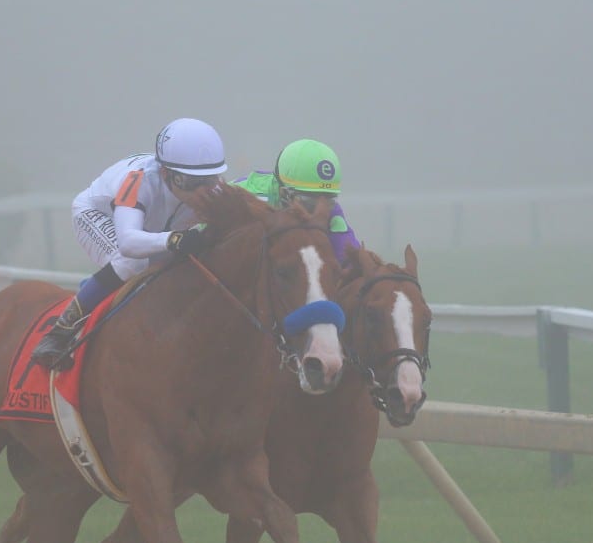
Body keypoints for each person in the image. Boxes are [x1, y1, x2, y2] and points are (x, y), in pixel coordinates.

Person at [31, 117, 227, 370]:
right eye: (191, 182)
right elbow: (129, 242)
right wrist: (174, 239)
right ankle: (60, 333)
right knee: (132, 262)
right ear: (166, 173)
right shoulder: (139, 181)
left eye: (210, 180)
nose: (203, 192)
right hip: (100, 215)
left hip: (151, 226)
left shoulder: (214, 188)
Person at [233, 138, 359, 265]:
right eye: (309, 203)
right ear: (283, 193)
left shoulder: (331, 210)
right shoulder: (241, 196)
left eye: (328, 200)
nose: (319, 212)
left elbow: (350, 262)